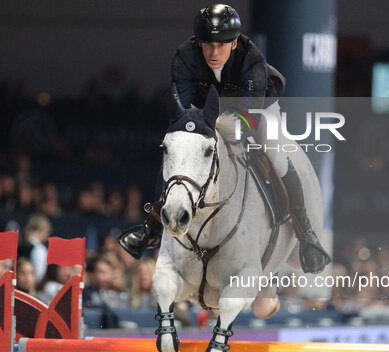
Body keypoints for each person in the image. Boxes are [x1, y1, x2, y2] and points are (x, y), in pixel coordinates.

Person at [119, 4, 331, 273]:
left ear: (234, 43)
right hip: (204, 113)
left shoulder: (251, 57)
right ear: (198, 42)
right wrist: (194, 130)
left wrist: (220, 126)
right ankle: (152, 227)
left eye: (221, 45)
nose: (214, 52)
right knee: (179, 149)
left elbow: (248, 112)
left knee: (277, 156)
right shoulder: (185, 55)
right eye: (207, 44)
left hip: (257, 110)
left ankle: (306, 234)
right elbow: (182, 109)